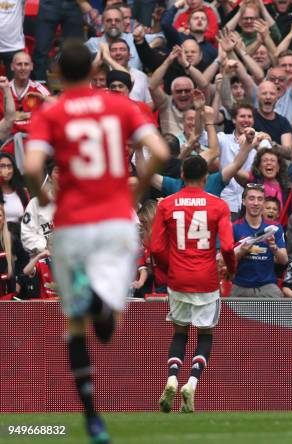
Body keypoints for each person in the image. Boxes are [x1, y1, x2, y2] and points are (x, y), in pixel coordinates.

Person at [24, 39, 169, 443]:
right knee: (108, 326)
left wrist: (44, 196)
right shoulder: (120, 105)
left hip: (71, 223)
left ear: (56, 76)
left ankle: (91, 414)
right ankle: (102, 304)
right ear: (93, 72)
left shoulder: (50, 112)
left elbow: (33, 165)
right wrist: (137, 191)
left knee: (75, 325)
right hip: (115, 220)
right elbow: (158, 150)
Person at [150, 155, 235, 414]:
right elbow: (229, 246)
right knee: (205, 335)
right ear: (206, 177)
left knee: (179, 333)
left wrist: (169, 268)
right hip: (207, 279)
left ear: (182, 175)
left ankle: (172, 378)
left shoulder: (167, 204)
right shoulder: (218, 205)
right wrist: (230, 271)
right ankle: (192, 382)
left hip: (178, 279)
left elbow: (154, 247)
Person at [231, 184, 288, 297]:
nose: (256, 203)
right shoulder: (234, 227)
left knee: (278, 312)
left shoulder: (275, 227)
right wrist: (241, 252)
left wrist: (274, 248)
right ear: (243, 201)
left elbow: (284, 260)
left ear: (263, 203)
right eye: (251, 198)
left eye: (260, 199)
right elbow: (225, 261)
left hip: (268, 286)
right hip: (240, 285)